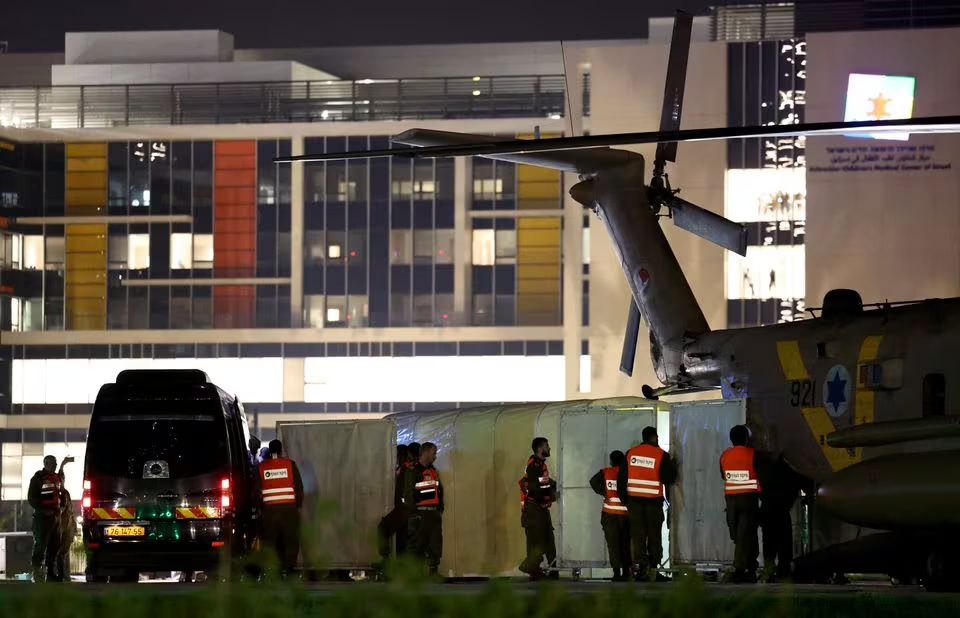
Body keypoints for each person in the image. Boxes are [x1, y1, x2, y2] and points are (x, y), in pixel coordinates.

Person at [620, 426, 675, 582]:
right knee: (654, 536)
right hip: (653, 503)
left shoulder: (630, 453)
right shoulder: (661, 454)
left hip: (634, 502)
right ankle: (654, 569)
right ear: (655, 437)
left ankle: (641, 570)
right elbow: (668, 478)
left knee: (638, 536)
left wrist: (626, 500)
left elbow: (622, 478)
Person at [720, 424, 763, 584]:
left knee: (739, 536)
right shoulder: (753, 454)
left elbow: (724, 475)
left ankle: (747, 567)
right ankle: (743, 569)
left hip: (731, 501)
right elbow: (760, 474)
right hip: (748, 499)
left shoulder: (725, 456)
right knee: (748, 534)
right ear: (746, 439)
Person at [258, 439, 304, 579]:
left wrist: (260, 509)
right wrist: (297, 506)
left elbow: (256, 490)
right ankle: (289, 569)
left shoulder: (261, 467)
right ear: (281, 450)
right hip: (288, 510)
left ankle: (271, 570)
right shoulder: (290, 465)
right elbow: (299, 487)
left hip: (269, 511)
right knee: (290, 540)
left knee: (270, 541)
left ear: (269, 451)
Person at [758, 454, 804, 582]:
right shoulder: (788, 467)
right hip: (782, 508)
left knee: (768, 540)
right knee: (784, 540)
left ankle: (769, 570)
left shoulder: (762, 464)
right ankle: (783, 570)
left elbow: (758, 485)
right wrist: (788, 503)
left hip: (767, 507)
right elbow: (795, 486)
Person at [518, 437, 558, 581]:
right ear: (540, 449)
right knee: (538, 541)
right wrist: (548, 498)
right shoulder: (534, 466)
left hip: (539, 509)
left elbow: (543, 483)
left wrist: (554, 487)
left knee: (548, 539)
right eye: (547, 446)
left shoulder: (540, 465)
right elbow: (535, 487)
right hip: (534, 509)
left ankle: (552, 570)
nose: (549, 448)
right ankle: (530, 566)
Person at [403, 442, 443, 578]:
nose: (435, 456)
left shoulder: (433, 471)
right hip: (419, 513)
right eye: (433, 453)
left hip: (433, 513)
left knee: (435, 543)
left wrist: (439, 508)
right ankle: (413, 575)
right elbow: (408, 494)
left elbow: (439, 490)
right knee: (416, 545)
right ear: (425, 453)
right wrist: (413, 513)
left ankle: (433, 572)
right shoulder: (413, 471)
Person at [590, 450, 631, 581]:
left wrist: (604, 493)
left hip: (609, 514)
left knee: (613, 545)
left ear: (611, 461)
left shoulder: (606, 472)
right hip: (625, 514)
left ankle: (616, 573)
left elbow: (593, 482)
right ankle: (626, 572)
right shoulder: (628, 473)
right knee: (625, 544)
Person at [28, 455, 67, 583]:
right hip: (43, 517)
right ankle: (36, 573)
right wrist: (43, 509)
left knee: (54, 545)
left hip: (56, 517)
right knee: (41, 544)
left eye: (56, 463)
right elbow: (32, 498)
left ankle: (50, 573)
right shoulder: (38, 478)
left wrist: (61, 507)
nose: (55, 465)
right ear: (46, 463)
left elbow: (61, 493)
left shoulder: (57, 478)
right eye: (53, 463)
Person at [376, 444, 414, 568]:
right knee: (401, 541)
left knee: (382, 529)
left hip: (402, 509)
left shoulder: (405, 469)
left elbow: (404, 491)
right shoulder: (404, 469)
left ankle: (385, 560)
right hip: (404, 509)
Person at [54, 486, 78, 582]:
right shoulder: (56, 492)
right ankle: (60, 574)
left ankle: (64, 574)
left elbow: (70, 511)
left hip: (68, 526)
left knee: (64, 552)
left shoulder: (65, 493)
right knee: (59, 552)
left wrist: (74, 528)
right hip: (60, 526)